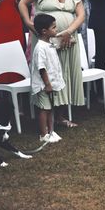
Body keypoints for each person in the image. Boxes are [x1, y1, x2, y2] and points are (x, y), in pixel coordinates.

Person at [18, 0, 85, 127]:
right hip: (46, 41)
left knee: (64, 74)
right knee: (48, 74)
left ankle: (60, 116)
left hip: (68, 40)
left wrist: (69, 31)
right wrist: (28, 22)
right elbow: (23, 3)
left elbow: (81, 15)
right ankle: (45, 116)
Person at [30, 13, 65, 143]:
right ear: (44, 31)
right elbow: (41, 68)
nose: (56, 30)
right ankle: (43, 134)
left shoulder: (49, 43)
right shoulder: (40, 48)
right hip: (44, 85)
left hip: (51, 84)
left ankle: (51, 131)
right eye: (54, 27)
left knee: (51, 108)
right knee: (44, 109)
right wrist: (47, 84)